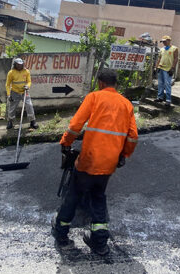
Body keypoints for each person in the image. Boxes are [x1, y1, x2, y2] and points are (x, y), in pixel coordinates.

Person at [51, 69, 138, 256]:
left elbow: (75, 126)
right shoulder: (126, 104)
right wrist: (124, 155)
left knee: (73, 194)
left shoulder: (94, 97)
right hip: (109, 163)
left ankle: (61, 233)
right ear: (115, 84)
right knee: (98, 197)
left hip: (89, 159)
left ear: (100, 82)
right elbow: (132, 137)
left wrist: (65, 143)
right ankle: (99, 243)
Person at [5, 58, 39, 129]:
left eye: (20, 65)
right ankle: (10, 121)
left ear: (23, 64)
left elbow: (29, 81)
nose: (19, 66)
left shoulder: (26, 71)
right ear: (15, 65)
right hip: (14, 92)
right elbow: (7, 84)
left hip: (24, 92)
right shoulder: (11, 72)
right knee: (12, 108)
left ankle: (33, 121)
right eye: (18, 65)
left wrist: (27, 86)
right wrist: (8, 95)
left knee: (29, 105)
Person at [154, 35, 178, 107]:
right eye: (163, 42)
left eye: (165, 41)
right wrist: (156, 67)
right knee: (160, 83)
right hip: (161, 67)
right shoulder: (162, 49)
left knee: (167, 84)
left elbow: (176, 58)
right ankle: (160, 97)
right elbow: (159, 58)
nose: (164, 43)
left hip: (168, 68)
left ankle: (168, 100)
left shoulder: (174, 49)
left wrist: (173, 68)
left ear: (169, 41)